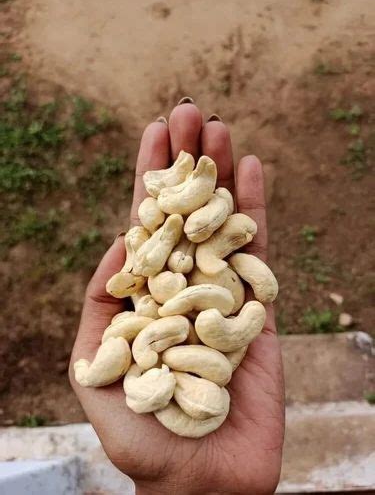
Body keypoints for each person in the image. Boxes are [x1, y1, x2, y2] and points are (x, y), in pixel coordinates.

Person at [69, 98, 285, 495]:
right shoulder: (165, 344)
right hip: (185, 315)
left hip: (190, 311)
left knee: (209, 315)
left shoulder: (188, 293)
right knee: (210, 320)